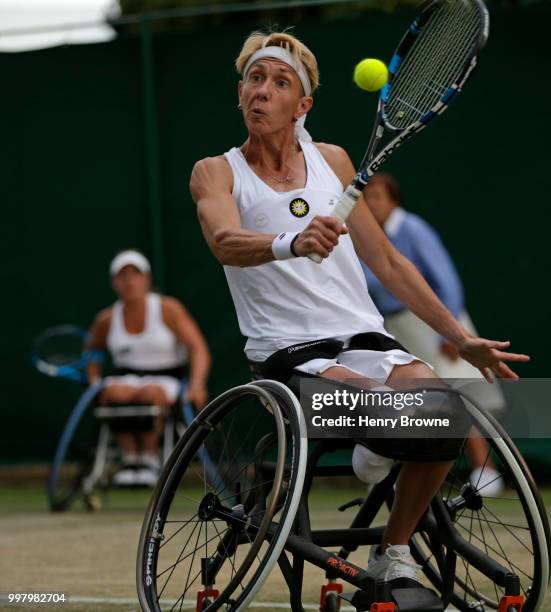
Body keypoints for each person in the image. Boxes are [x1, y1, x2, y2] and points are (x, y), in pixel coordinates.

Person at [189, 30, 528, 584]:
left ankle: (390, 550)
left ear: (303, 106)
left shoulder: (334, 162)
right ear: (240, 91)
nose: (263, 91)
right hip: (286, 358)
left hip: (368, 340)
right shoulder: (217, 171)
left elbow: (390, 263)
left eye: (279, 82)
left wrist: (457, 335)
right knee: (384, 411)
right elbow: (224, 240)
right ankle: (380, 439)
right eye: (254, 79)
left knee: (448, 412)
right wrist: (291, 242)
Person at [360, 173, 505, 496]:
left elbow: (446, 277)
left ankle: (486, 472)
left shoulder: (411, 228)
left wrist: (452, 332)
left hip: (433, 322)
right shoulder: (366, 238)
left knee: (458, 397)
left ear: (393, 199)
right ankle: (400, 478)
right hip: (398, 327)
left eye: (377, 196)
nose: (370, 203)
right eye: (366, 198)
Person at [87, 249, 211, 486]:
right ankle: (130, 458)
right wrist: (94, 381)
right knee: (113, 392)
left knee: (151, 392)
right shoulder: (106, 318)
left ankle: (149, 458)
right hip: (125, 378)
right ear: (114, 282)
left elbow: (198, 348)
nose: (129, 281)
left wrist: (197, 383)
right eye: (122, 276)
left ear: (147, 279)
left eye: (135, 275)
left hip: (168, 379)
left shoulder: (168, 308)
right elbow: (93, 352)